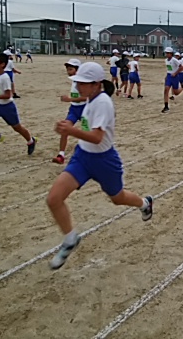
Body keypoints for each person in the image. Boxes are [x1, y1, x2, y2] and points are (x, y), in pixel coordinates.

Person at [46, 62, 153, 269]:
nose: (77, 86)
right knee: (54, 198)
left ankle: (144, 203)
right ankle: (70, 239)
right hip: (82, 157)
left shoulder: (103, 102)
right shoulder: (91, 98)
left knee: (118, 198)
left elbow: (97, 137)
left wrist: (70, 130)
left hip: (104, 160)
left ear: (96, 84)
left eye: (82, 83)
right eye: (77, 82)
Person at [0, 53, 37, 154]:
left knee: (17, 128)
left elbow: (8, 95)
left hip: (8, 107)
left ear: (2, 64)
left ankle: (31, 141)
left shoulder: (5, 78)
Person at [52, 59, 86, 165]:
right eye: (68, 69)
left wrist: (69, 99)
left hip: (85, 109)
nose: (68, 72)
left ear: (78, 70)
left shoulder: (83, 82)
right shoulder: (74, 80)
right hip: (74, 109)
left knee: (88, 133)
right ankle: (61, 155)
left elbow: (86, 97)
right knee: (65, 129)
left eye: (71, 69)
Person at [162, 47, 183, 113]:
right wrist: (167, 76)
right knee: (166, 90)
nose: (167, 54)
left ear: (171, 53)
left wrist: (175, 73)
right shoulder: (166, 60)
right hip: (169, 76)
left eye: (168, 53)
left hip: (175, 77)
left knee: (176, 92)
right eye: (166, 53)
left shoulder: (174, 60)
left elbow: (181, 67)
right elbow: (169, 69)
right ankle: (166, 106)